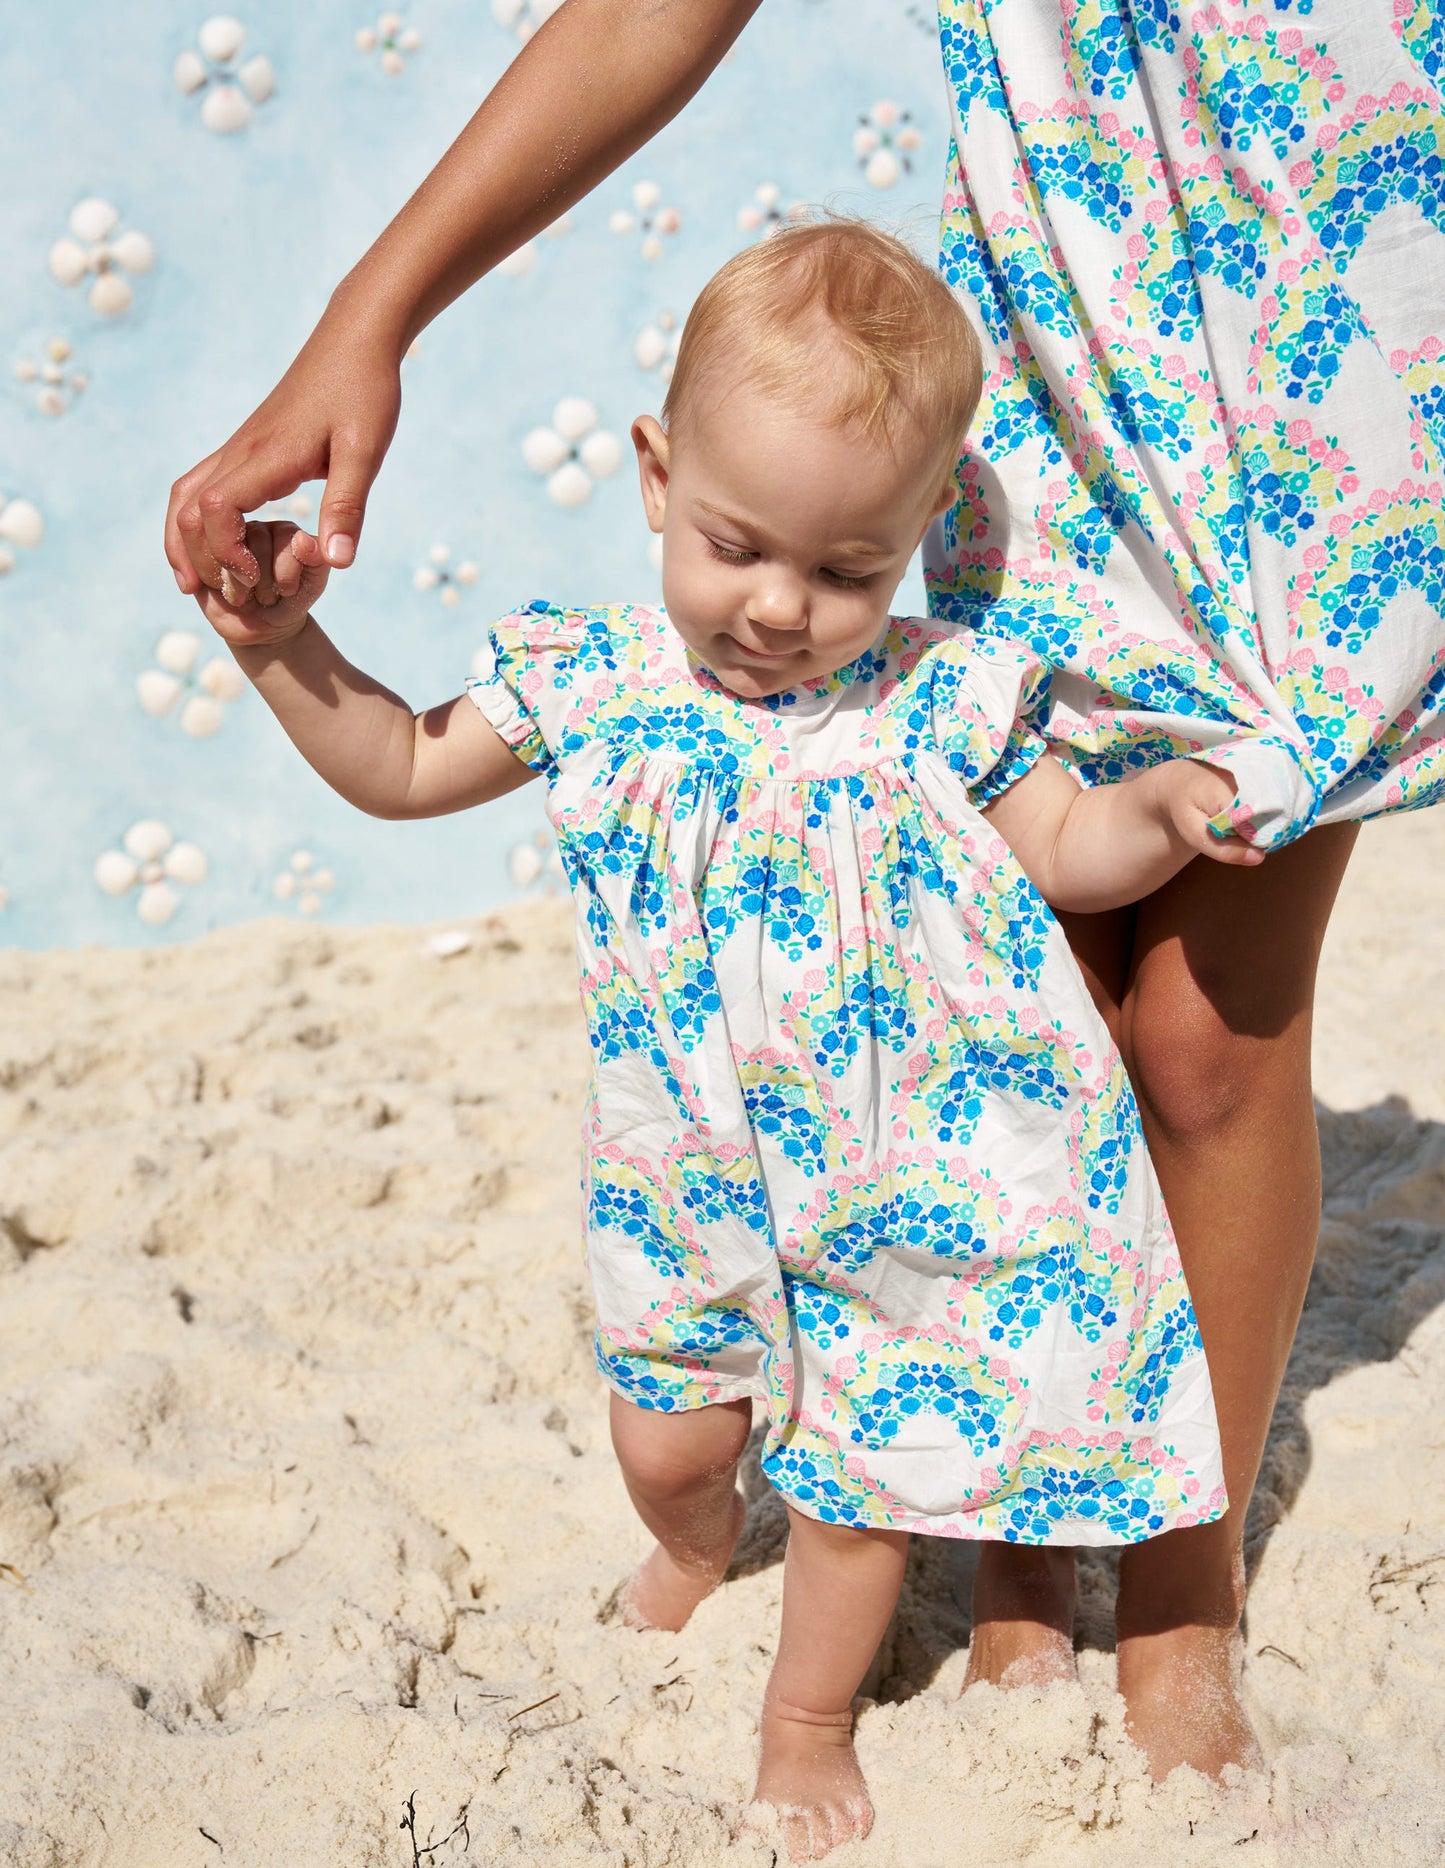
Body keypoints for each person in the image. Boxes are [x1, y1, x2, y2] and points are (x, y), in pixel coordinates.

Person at [166, 0, 1445, 1784]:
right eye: (736, 551)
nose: (775, 607)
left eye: (839, 570)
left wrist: (1159, 808)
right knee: (747, 1380)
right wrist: (286, 613)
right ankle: (943, 1552)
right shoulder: (610, 674)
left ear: (905, 544)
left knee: (1195, 1053)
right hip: (1075, 282)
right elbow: (396, 763)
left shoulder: (922, 687)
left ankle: (1142, 1599)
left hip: (1325, 274)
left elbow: (1063, 831)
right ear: (656, 485)